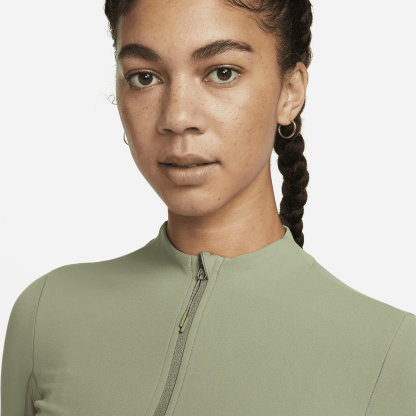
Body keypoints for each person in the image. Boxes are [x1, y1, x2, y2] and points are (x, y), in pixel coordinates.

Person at [1, 0, 415, 414]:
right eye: (145, 77)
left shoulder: (392, 354)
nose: (178, 117)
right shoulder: (46, 315)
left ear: (290, 91)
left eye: (222, 73)